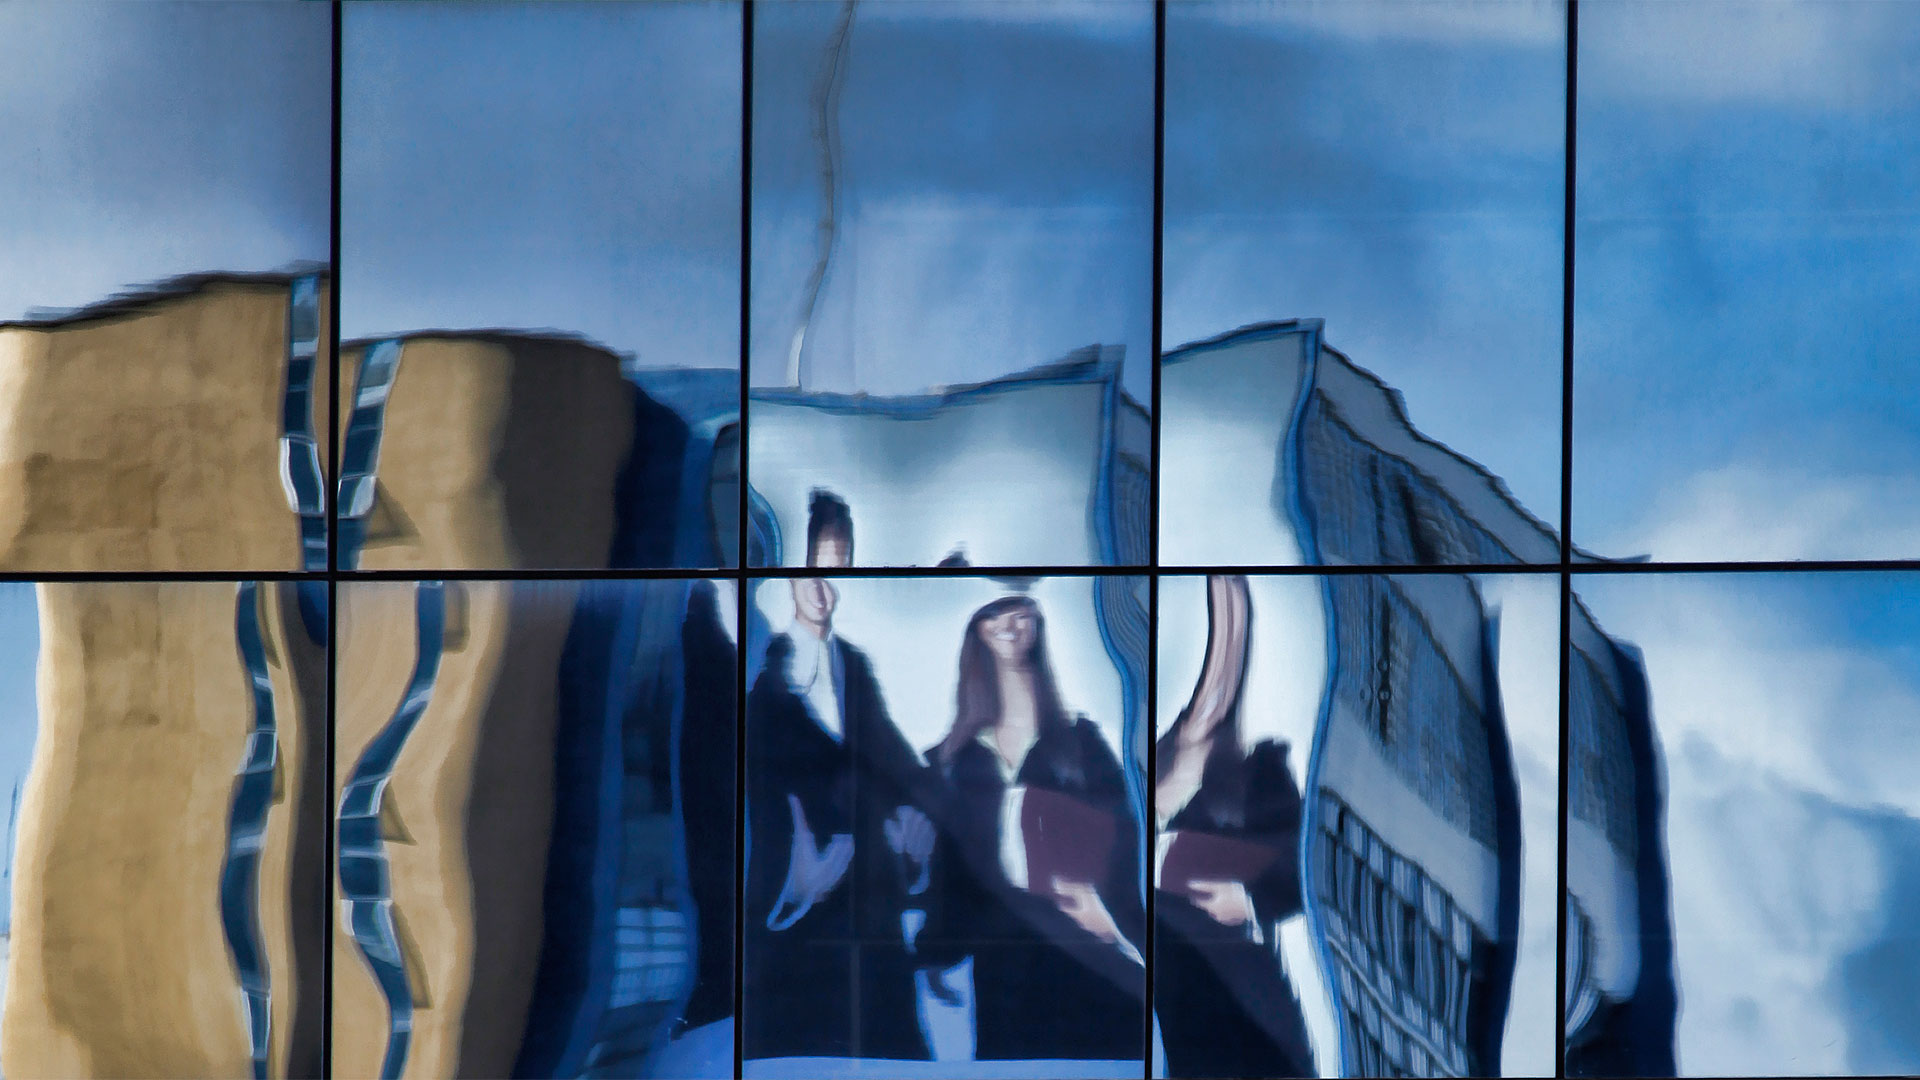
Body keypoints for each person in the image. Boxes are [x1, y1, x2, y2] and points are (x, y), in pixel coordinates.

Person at [742, 490, 939, 1062]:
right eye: (812, 572)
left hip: (874, 938)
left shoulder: (856, 668)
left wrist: (915, 847)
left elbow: (900, 779)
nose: (824, 590)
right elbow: (742, 808)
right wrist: (791, 887)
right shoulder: (759, 679)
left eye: (836, 572)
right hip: (799, 956)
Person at [920, 594, 1146, 1063]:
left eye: (1022, 613)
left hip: (1087, 957)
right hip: (1006, 970)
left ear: (1038, 623)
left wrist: (1099, 902)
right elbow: (952, 867)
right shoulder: (961, 759)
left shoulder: (1082, 743)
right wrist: (938, 948)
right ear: (979, 629)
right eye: (995, 615)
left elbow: (1125, 839)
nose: (1010, 625)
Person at [1153, 575, 1314, 1078]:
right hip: (1172, 1003)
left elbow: (1306, 867)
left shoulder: (1260, 775)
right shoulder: (1121, 782)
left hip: (1247, 1003)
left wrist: (1247, 900)